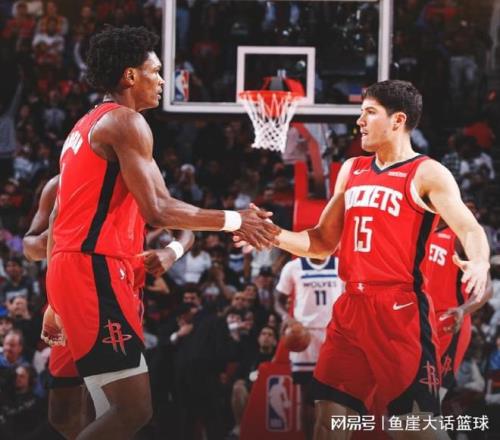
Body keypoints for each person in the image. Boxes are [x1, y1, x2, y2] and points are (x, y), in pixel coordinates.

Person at [45, 25, 279, 440]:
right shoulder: (126, 122)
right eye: (155, 71)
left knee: (69, 413)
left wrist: (172, 252)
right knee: (132, 409)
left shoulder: (85, 126)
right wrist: (234, 219)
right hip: (95, 271)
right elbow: (158, 209)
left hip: (74, 270)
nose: (162, 80)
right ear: (130, 76)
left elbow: (63, 219)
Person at [241, 80, 490, 440]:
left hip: (399, 311)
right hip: (350, 309)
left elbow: (469, 228)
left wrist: (480, 261)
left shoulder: (426, 173)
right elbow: (321, 243)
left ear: (397, 120)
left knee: (413, 428)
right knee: (328, 421)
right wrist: (272, 234)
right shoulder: (352, 169)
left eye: (369, 112)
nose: (359, 121)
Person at [23, 174, 195, 438]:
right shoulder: (58, 185)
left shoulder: (129, 177)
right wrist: (61, 235)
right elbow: (29, 247)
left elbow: (184, 228)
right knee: (62, 413)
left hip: (113, 293)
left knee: (115, 406)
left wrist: (172, 252)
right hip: (69, 293)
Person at [274, 255, 344, 440]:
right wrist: (286, 318)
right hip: (304, 334)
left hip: (333, 335)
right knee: (307, 398)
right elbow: (278, 300)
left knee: (333, 398)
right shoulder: (293, 267)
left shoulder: (340, 265)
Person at [424, 219, 492, 401]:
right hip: (419, 320)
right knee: (401, 400)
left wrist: (464, 309)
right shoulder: (421, 227)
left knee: (431, 401)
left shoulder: (461, 235)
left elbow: (487, 288)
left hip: (448, 323)